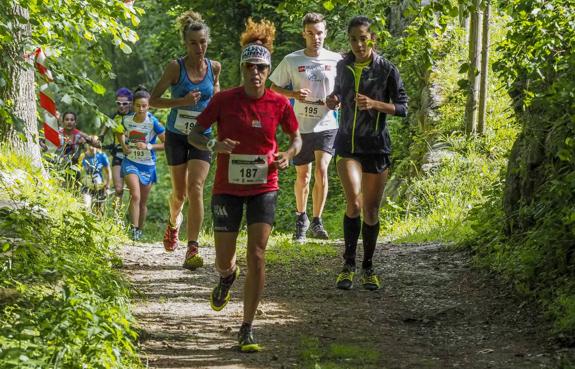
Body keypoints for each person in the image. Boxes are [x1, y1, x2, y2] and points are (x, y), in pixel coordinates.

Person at [188, 18, 301, 352]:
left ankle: (247, 327)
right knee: (225, 258)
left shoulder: (279, 103)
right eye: (249, 66)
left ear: (268, 71)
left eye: (261, 67)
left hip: (265, 185)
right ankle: (226, 276)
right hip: (227, 187)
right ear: (242, 69)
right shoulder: (224, 100)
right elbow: (196, 132)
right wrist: (213, 146)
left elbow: (296, 138)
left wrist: (288, 154)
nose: (255, 72)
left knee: (257, 254)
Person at [326, 16, 408, 291]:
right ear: (349, 40)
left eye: (363, 38)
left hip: (375, 146)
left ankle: (368, 267)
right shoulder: (343, 65)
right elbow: (336, 94)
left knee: (371, 211)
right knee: (355, 204)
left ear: (372, 38)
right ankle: (348, 264)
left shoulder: (386, 69)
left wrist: (374, 104)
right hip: (347, 145)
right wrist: (332, 99)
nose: (359, 44)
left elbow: (402, 107)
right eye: (354, 39)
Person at [150, 10, 221, 270]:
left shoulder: (214, 67)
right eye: (193, 43)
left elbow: (216, 98)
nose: (199, 47)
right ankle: (173, 223)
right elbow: (153, 100)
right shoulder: (175, 67)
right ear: (185, 43)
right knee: (179, 194)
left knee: (196, 188)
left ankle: (192, 248)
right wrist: (181, 101)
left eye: (202, 42)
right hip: (177, 136)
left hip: (202, 137)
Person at [270, 12, 342, 243]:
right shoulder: (292, 60)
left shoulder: (336, 59)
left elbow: (344, 89)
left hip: (328, 123)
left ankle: (317, 221)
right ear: (304, 34)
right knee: (304, 174)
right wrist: (292, 94)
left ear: (325, 33)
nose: (316, 37)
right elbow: (272, 88)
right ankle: (301, 218)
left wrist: (337, 98)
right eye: (311, 33)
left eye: (319, 32)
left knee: (322, 169)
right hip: (300, 125)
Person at [117, 87, 166, 241]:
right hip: (131, 162)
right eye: (138, 105)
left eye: (144, 106)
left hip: (148, 164)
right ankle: (133, 229)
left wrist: (149, 146)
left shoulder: (152, 122)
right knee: (135, 195)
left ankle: (139, 229)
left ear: (148, 106)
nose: (141, 109)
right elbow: (118, 131)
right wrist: (124, 146)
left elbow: (167, 144)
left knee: (143, 201)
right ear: (133, 105)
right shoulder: (127, 120)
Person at [100, 87, 133, 208]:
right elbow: (105, 125)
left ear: (130, 103)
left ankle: (131, 218)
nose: (121, 106)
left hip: (133, 156)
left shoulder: (135, 116)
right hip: (117, 154)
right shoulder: (114, 117)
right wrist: (101, 136)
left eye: (125, 103)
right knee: (118, 189)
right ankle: (116, 219)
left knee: (133, 191)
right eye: (118, 103)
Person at [81, 137, 112, 213]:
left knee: (98, 210)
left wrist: (107, 186)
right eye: (90, 145)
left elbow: (108, 172)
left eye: (94, 145)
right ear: (87, 145)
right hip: (86, 185)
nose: (92, 147)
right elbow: (80, 171)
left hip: (99, 186)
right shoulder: (83, 157)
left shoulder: (102, 156)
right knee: (86, 206)